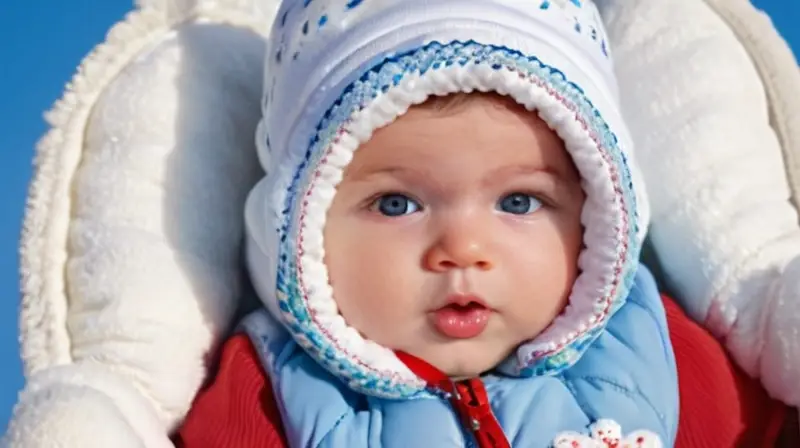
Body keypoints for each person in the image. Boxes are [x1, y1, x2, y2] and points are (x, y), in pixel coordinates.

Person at [179, 0, 673, 445]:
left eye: (519, 202)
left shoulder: (647, 344)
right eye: (396, 204)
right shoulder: (269, 388)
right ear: (299, 226)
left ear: (600, 216)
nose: (462, 248)